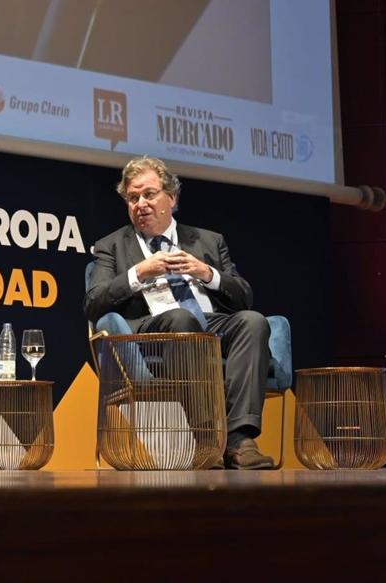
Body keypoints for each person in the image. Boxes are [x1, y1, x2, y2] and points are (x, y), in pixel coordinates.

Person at [84, 156, 274, 469]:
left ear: (171, 197)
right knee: (181, 318)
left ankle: (240, 441)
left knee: (253, 322)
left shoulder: (209, 241)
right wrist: (138, 274)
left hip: (211, 322)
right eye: (132, 198)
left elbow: (244, 298)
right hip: (153, 329)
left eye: (148, 194)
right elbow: (93, 302)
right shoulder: (112, 246)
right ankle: (207, 440)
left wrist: (206, 273)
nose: (140, 204)